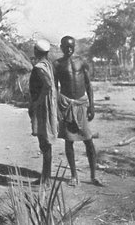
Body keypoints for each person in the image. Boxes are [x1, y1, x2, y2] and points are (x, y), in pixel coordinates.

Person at [53, 36, 103, 187]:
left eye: (71, 46)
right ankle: (74, 175)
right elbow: (55, 88)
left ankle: (94, 176)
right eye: (66, 47)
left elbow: (88, 85)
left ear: (74, 46)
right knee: (69, 141)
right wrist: (57, 107)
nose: (69, 49)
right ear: (61, 47)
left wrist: (92, 105)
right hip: (67, 105)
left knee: (89, 141)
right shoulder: (57, 64)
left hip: (81, 104)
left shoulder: (81, 61)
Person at [28, 39, 58, 187]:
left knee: (44, 142)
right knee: (46, 144)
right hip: (46, 105)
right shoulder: (49, 65)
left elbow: (47, 85)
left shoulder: (39, 68)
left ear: (36, 51)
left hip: (42, 108)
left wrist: (37, 102)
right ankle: (46, 177)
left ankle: (45, 179)